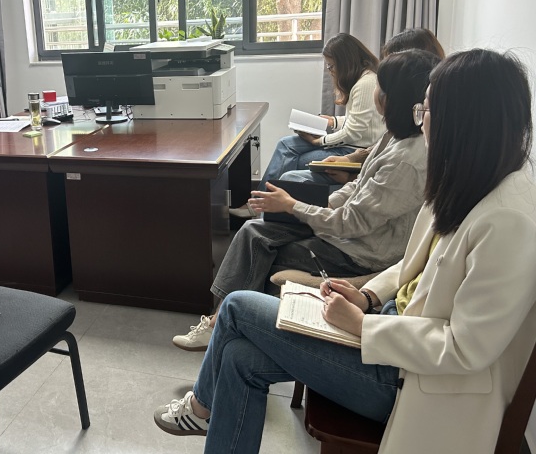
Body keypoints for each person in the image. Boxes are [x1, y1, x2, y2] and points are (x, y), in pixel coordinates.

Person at [155, 49, 536, 454]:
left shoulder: (507, 221)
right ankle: (205, 413)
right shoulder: (471, 180)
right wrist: (367, 296)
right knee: (238, 357)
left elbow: (464, 348)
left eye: (427, 110)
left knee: (236, 307)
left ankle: (200, 408)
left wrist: (362, 326)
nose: (422, 120)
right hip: (389, 331)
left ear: (463, 123)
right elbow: (413, 266)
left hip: (407, 378)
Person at [172, 49, 439, 353]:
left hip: (360, 253)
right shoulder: (395, 136)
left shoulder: (406, 161)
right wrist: (319, 204)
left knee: (258, 248)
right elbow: (358, 187)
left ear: (393, 97)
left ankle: (223, 325)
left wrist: (293, 206)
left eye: (381, 86)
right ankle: (222, 321)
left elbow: (351, 223)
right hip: (351, 235)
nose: (375, 92)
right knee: (255, 229)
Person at [230, 33, 385, 218]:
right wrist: (332, 121)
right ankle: (259, 203)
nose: (330, 70)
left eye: (332, 66)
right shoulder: (363, 80)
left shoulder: (365, 84)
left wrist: (320, 141)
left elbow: (354, 132)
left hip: (353, 149)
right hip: (352, 143)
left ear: (345, 62)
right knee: (285, 144)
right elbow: (358, 120)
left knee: (291, 158)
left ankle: (260, 206)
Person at [288, 27, 446, 186]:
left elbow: (368, 190)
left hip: (355, 151)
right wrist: (349, 156)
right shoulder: (407, 119)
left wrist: (323, 143)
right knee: (288, 148)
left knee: (293, 169)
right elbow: (379, 146)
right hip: (358, 158)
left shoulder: (417, 135)